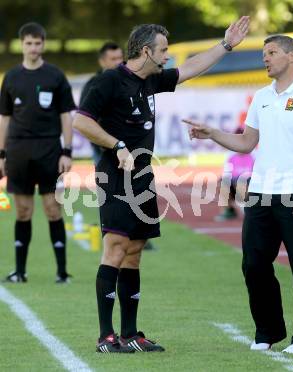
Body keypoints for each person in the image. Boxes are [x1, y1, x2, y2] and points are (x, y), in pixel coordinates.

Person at [72, 17, 250, 353]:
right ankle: (105, 336)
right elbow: (81, 121)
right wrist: (117, 145)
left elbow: (191, 68)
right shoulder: (109, 81)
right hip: (114, 177)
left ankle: (130, 334)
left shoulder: (150, 80)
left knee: (136, 253)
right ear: (145, 51)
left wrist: (226, 44)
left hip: (142, 178)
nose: (168, 56)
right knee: (115, 248)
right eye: (164, 50)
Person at [184, 34, 293, 354]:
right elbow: (246, 143)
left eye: (272, 53)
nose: (265, 58)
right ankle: (268, 330)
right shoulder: (262, 96)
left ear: (291, 57)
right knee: (254, 265)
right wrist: (212, 134)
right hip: (261, 194)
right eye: (265, 53)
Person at [0, 22, 76, 284]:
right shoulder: (11, 78)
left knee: (53, 209)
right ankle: (19, 272)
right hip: (18, 150)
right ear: (22, 44)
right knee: (22, 211)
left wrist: (67, 151)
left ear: (43, 44)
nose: (33, 47)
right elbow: (4, 118)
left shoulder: (55, 76)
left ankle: (62, 272)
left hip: (49, 150)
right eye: (29, 43)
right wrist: (1, 154)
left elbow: (67, 116)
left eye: (38, 43)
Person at [79, 42, 124, 165]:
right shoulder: (93, 84)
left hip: (128, 143)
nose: (118, 62)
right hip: (103, 146)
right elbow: (84, 117)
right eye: (113, 59)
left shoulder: (130, 81)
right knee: (106, 182)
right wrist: (99, 141)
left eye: (120, 58)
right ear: (102, 61)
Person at [215, 126, 254, 221]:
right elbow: (226, 174)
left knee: (242, 183)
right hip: (235, 184)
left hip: (251, 187)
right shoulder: (230, 156)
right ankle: (229, 210)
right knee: (222, 183)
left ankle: (250, 209)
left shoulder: (254, 155)